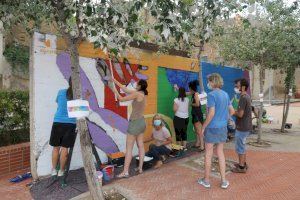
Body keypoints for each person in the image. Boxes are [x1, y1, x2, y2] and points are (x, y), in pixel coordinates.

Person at [198, 73, 235, 189]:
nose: (208, 83)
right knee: (220, 153)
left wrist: (203, 127)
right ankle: (224, 181)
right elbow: (232, 111)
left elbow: (211, 113)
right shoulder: (225, 94)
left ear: (213, 82)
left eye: (209, 81)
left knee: (208, 154)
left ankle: (206, 180)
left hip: (212, 128)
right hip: (222, 128)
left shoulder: (211, 95)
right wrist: (226, 118)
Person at [112, 78, 148, 178]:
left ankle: (125, 172)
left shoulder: (137, 94)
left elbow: (121, 99)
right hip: (141, 122)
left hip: (135, 123)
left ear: (140, 86)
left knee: (129, 149)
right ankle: (140, 168)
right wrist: (114, 81)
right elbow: (126, 89)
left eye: (137, 83)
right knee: (140, 145)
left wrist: (115, 91)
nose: (136, 83)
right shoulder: (142, 94)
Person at [50, 77, 76, 178]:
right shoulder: (77, 95)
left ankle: (53, 170)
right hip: (70, 124)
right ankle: (61, 170)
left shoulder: (61, 92)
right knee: (65, 148)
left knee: (55, 148)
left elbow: (59, 104)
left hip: (58, 122)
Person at [232, 78, 252, 173]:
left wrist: (233, 112)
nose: (235, 87)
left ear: (243, 87)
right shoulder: (246, 97)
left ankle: (241, 167)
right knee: (242, 146)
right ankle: (243, 163)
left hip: (242, 127)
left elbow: (240, 114)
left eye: (237, 86)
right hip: (245, 126)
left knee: (240, 147)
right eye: (235, 86)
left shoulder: (243, 98)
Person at [188, 80, 205, 151]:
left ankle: (202, 146)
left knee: (199, 131)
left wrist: (190, 104)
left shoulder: (196, 94)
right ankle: (197, 143)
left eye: (189, 88)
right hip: (195, 114)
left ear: (191, 88)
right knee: (197, 130)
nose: (189, 89)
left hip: (197, 114)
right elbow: (185, 93)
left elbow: (197, 104)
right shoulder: (193, 93)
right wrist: (178, 89)